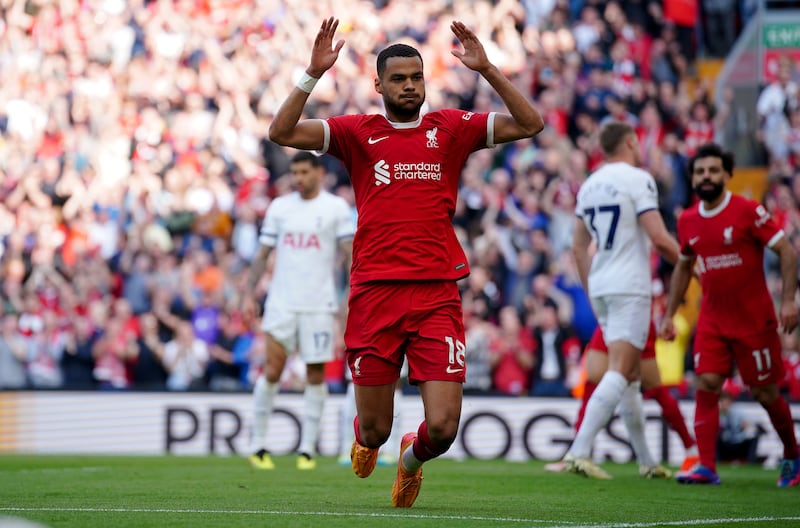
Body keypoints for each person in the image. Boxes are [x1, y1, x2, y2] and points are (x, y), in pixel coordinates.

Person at [268, 17, 543, 507]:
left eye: (416, 77)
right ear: (378, 84)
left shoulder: (452, 128)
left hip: (437, 293)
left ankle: (411, 461)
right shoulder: (357, 132)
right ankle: (369, 438)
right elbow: (282, 132)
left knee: (443, 426)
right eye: (398, 78)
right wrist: (312, 74)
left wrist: (489, 71)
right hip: (374, 293)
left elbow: (530, 123)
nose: (409, 86)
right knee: (374, 429)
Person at [658, 143, 800, 486]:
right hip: (713, 319)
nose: (706, 177)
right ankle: (706, 465)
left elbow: (786, 251)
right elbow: (684, 266)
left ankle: (793, 457)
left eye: (713, 171)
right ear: (692, 179)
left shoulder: (747, 211)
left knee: (765, 392)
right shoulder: (688, 220)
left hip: (755, 320)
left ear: (727, 175)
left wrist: (789, 301)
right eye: (700, 172)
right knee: (706, 382)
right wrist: (669, 313)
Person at [563, 121, 680, 479]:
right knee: (621, 370)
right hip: (630, 285)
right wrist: (695, 264)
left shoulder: (591, 184)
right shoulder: (638, 178)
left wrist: (591, 287)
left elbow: (579, 247)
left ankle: (646, 460)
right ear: (631, 141)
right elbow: (659, 237)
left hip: (601, 284)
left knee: (629, 376)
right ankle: (579, 452)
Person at [245, 151, 355, 471]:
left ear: (318, 173)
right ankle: (258, 445)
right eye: (295, 173)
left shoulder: (335, 209)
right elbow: (263, 254)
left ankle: (307, 450)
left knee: (315, 375)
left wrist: (347, 298)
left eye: (304, 172)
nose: (298, 178)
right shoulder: (280, 207)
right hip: (282, 303)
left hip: (319, 305)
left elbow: (350, 258)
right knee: (273, 370)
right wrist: (248, 294)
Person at [567, 322, 698, 472]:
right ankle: (576, 452)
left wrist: (668, 316)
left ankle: (690, 450)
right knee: (594, 378)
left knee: (651, 387)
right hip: (609, 317)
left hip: (634, 319)